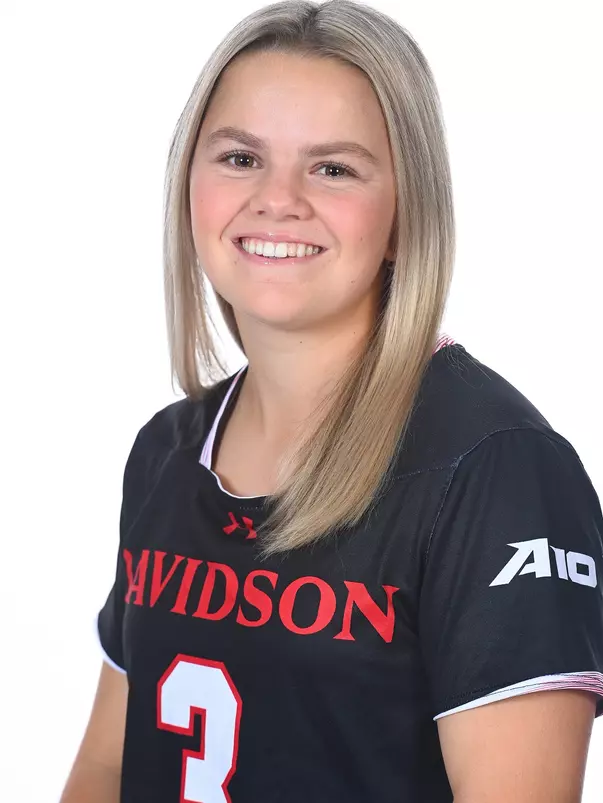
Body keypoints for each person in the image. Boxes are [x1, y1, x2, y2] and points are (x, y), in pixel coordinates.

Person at [60, 1, 603, 801]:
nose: (277, 199)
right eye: (240, 158)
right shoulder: (168, 451)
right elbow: (107, 767)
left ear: (402, 215)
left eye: (333, 167)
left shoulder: (496, 471)